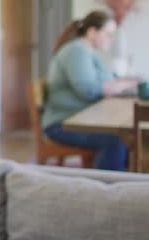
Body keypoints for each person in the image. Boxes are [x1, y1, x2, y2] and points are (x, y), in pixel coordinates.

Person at [42, 10, 139, 170]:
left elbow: (109, 80)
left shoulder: (88, 52)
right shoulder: (76, 51)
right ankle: (105, 187)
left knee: (128, 137)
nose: (111, 39)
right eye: (108, 34)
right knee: (117, 139)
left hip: (79, 120)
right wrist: (122, 85)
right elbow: (88, 89)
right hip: (62, 125)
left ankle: (124, 181)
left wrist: (122, 83)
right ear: (92, 32)